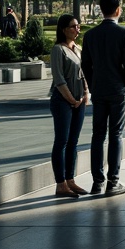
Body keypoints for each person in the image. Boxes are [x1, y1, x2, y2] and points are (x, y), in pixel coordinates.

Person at [81, 0, 125, 197]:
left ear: (100, 10)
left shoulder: (90, 35)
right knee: (116, 134)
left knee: (97, 135)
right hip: (118, 90)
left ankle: (97, 183)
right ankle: (113, 182)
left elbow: (85, 64)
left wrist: (94, 84)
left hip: (100, 90)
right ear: (118, 10)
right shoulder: (124, 33)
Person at [49, 14, 89, 199]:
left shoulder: (78, 49)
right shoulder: (58, 50)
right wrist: (71, 99)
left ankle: (70, 179)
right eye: (73, 26)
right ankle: (61, 184)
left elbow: (84, 74)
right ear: (64, 29)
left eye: (78, 26)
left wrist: (86, 93)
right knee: (62, 141)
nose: (77, 29)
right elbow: (59, 79)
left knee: (74, 141)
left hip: (79, 101)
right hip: (63, 101)